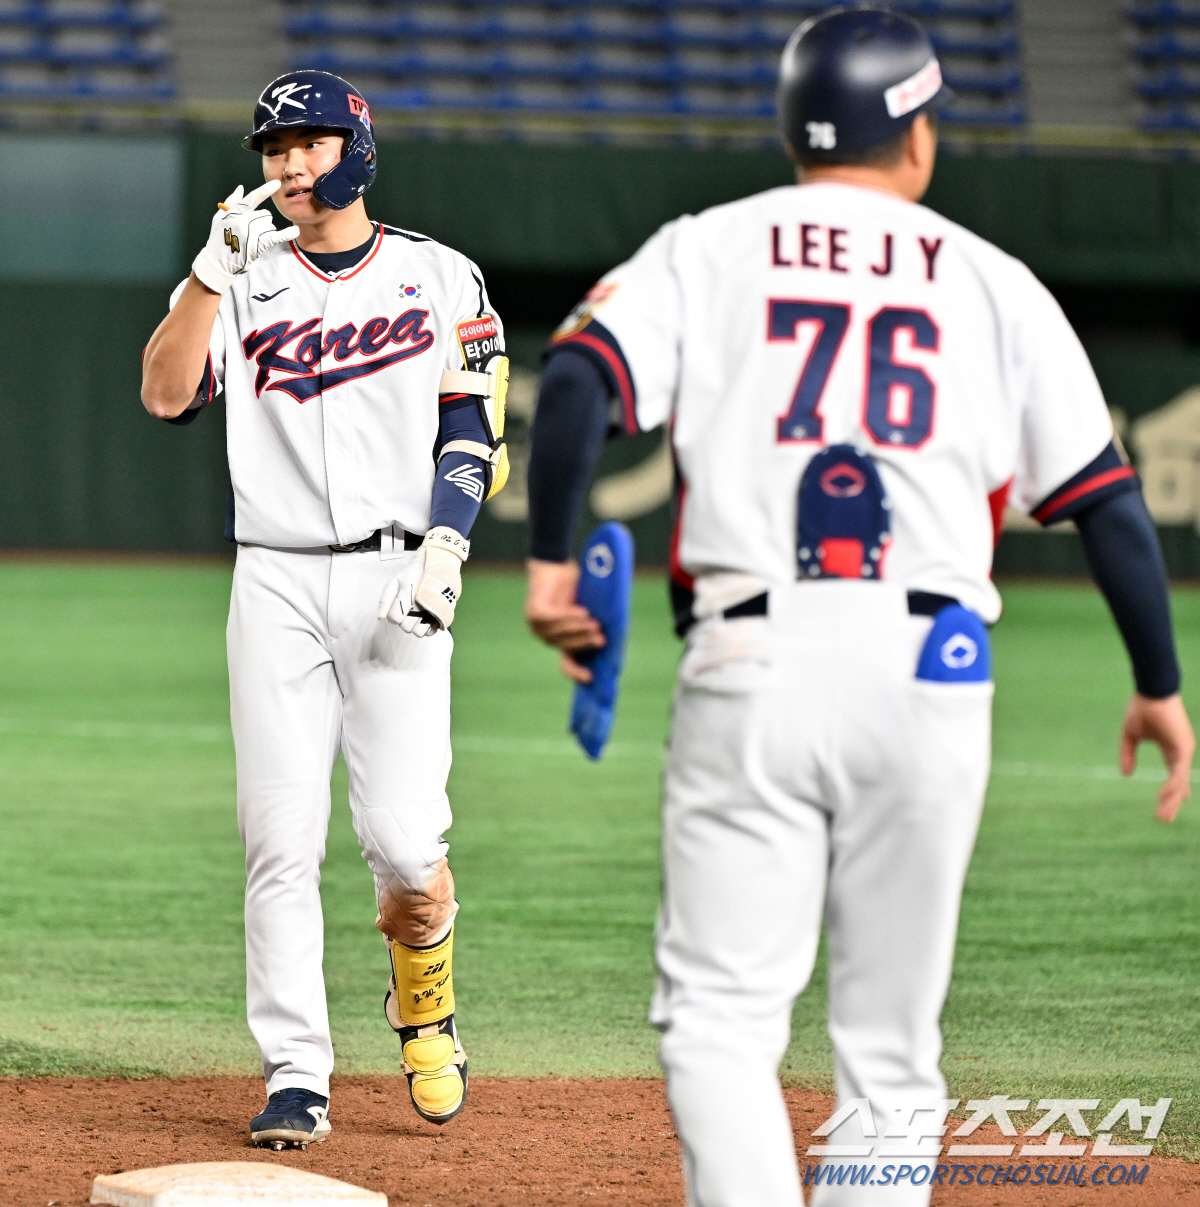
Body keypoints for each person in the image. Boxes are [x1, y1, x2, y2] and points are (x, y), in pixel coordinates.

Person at [523, 9, 1194, 1205]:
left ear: (791, 126)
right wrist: (1158, 683)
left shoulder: (709, 244)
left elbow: (578, 377)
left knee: (723, 1021)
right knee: (891, 1054)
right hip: (933, 667)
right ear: (918, 138)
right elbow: (1110, 508)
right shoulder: (996, 282)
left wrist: (552, 563)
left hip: (753, 660)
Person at [141, 70, 511, 1148]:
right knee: (279, 836)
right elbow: (166, 392)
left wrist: (449, 542)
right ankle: (297, 1072)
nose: (289, 165)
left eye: (307, 142)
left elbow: (472, 423)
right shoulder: (241, 280)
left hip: (403, 577)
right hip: (276, 579)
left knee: (405, 846)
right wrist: (206, 276)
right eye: (272, 148)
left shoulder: (440, 276)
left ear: (356, 145)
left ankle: (425, 995)